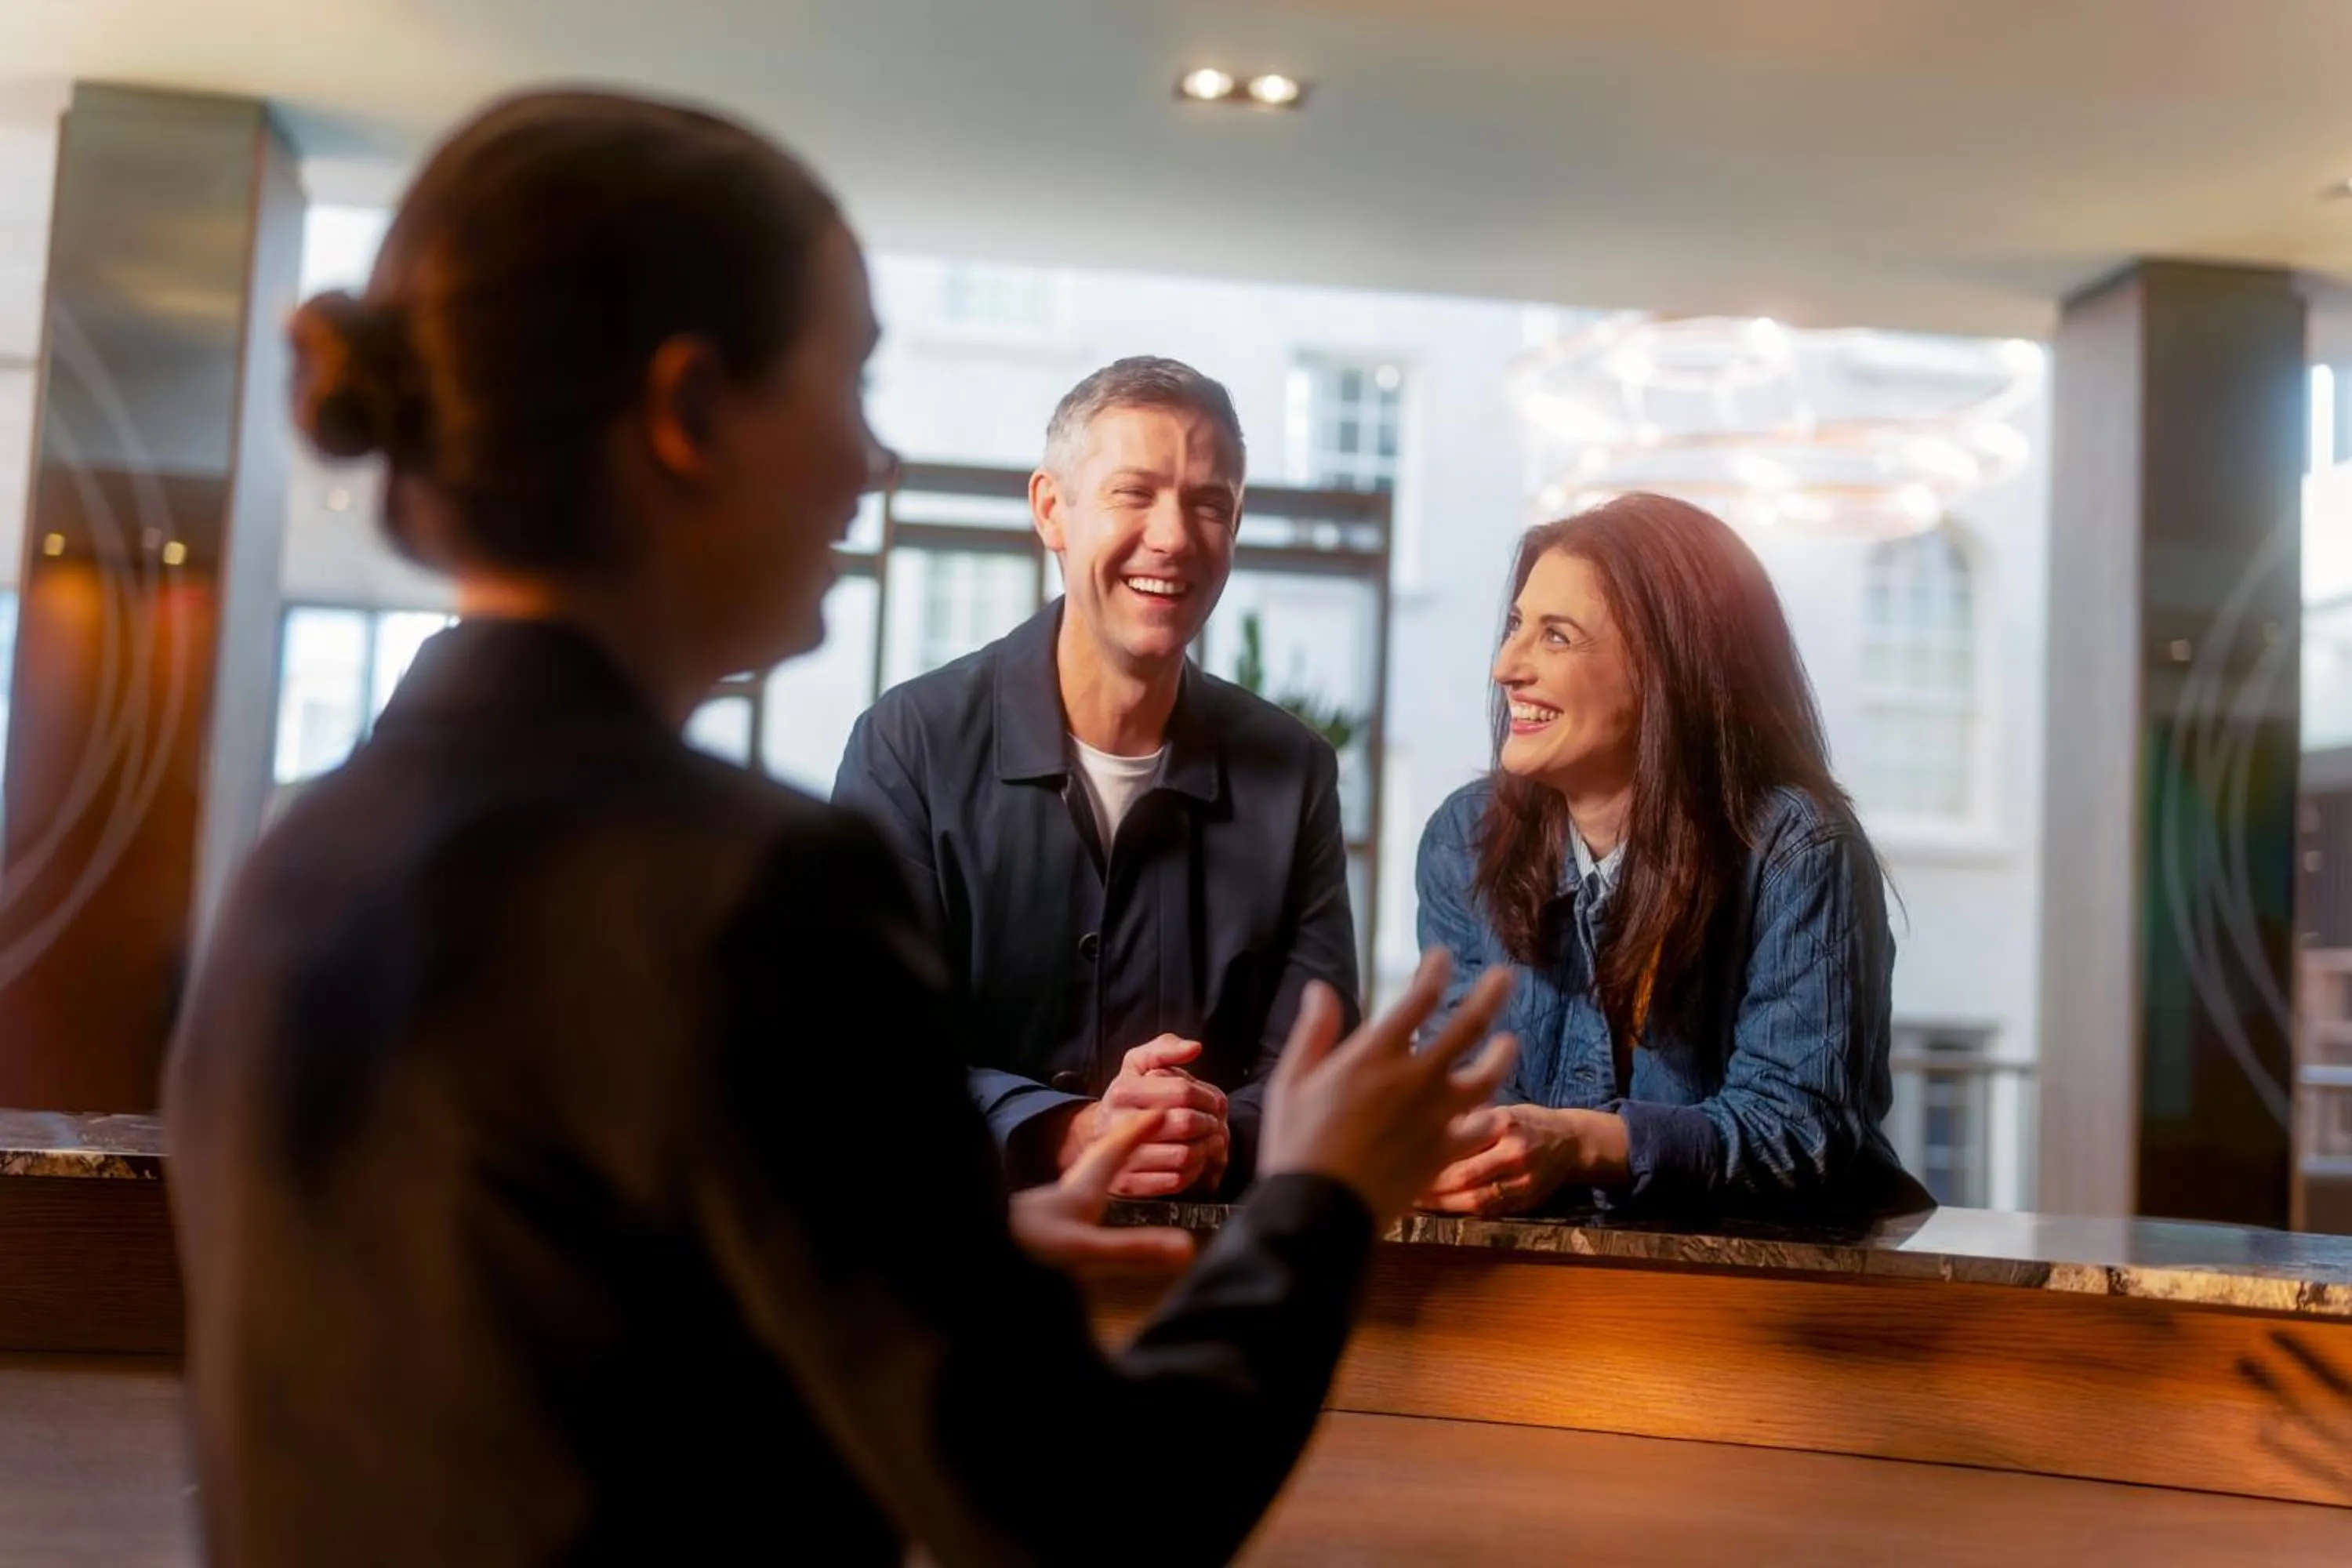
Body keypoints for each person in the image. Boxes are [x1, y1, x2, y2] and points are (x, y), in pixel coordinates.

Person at [162, 89, 1518, 1566]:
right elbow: (1093, 1515)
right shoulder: (748, 895)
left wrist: (941, 1260)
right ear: (687, 418)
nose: (870, 463)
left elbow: (535, 1377)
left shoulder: (299, 859)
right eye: (848, 384)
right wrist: (1320, 1197)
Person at [833, 357, 1357, 1200]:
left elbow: (1317, 1063)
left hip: (1204, 1292)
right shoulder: (909, 746)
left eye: (1209, 502)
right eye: (1134, 492)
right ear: (1052, 509)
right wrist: (1068, 1131)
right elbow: (860, 1053)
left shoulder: (1295, 772)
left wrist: (1208, 1130)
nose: (1175, 535)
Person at [1412, 492, 1926, 1218]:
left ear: (1668, 669)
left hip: (1765, 1295)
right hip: (1532, 1296)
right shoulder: (1463, 838)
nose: (1506, 666)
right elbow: (1456, 1084)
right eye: (1518, 626)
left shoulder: (1799, 849)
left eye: (1556, 637)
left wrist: (1581, 1142)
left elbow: (1800, 1133)